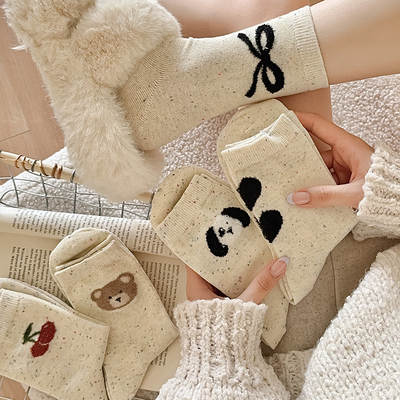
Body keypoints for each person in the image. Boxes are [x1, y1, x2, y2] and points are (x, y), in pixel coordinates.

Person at [155, 0, 400, 398]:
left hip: (281, 328)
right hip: (375, 247)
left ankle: (179, 37)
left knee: (273, 31)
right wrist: (391, 192)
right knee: (277, 24)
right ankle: (195, 41)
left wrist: (218, 350)